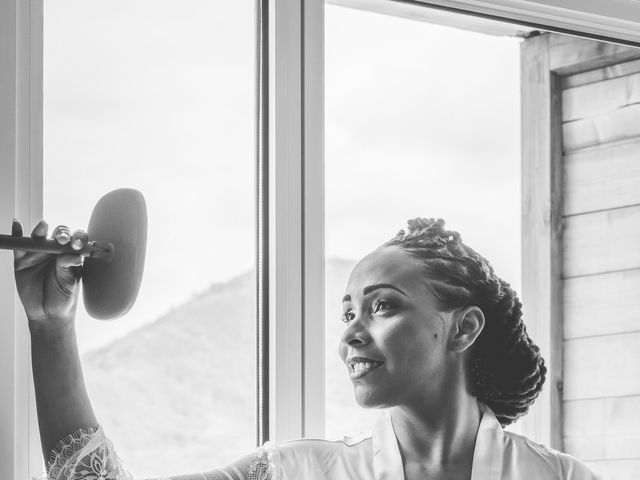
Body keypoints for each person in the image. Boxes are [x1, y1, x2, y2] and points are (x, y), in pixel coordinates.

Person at [12, 217, 600, 480]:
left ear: (464, 328)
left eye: (383, 305)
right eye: (347, 311)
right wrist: (50, 327)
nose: (349, 333)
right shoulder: (298, 473)